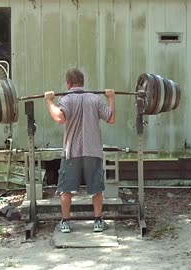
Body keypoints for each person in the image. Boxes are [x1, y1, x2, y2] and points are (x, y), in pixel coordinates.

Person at [44, 68, 115, 233]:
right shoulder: (94, 99)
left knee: (66, 188)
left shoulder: (66, 99)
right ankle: (98, 221)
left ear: (68, 83)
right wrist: (111, 98)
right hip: (93, 151)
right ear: (82, 82)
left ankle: (65, 222)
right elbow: (111, 118)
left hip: (72, 152)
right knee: (97, 189)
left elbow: (59, 118)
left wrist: (49, 102)